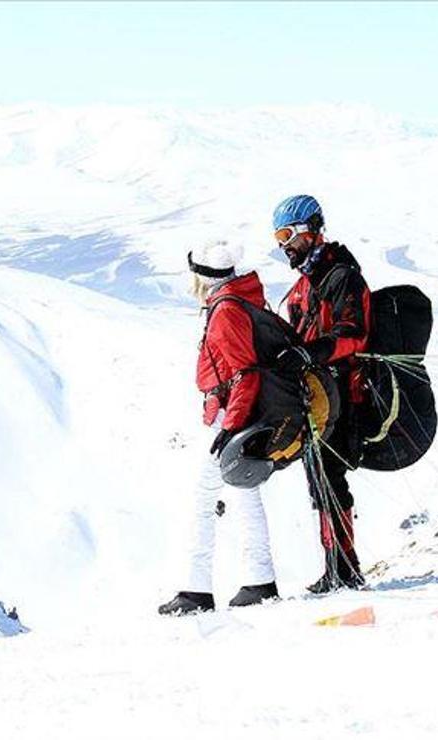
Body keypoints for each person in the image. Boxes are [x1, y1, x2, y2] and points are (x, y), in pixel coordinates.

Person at [158, 240, 280, 616]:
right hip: (237, 417)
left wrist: (230, 427)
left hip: (231, 419)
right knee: (245, 496)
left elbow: (244, 371)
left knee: (203, 500)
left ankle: (196, 591)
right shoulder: (236, 300)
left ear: (203, 277)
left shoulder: (225, 310)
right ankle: (260, 581)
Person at [272, 194, 371, 593]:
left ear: (310, 230)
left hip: (345, 394)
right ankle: (339, 567)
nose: (283, 246)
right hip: (316, 397)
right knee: (319, 480)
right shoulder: (303, 286)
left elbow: (354, 333)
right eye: (278, 238)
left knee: (330, 478)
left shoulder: (342, 276)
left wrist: (310, 353)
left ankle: (345, 569)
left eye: (287, 235)